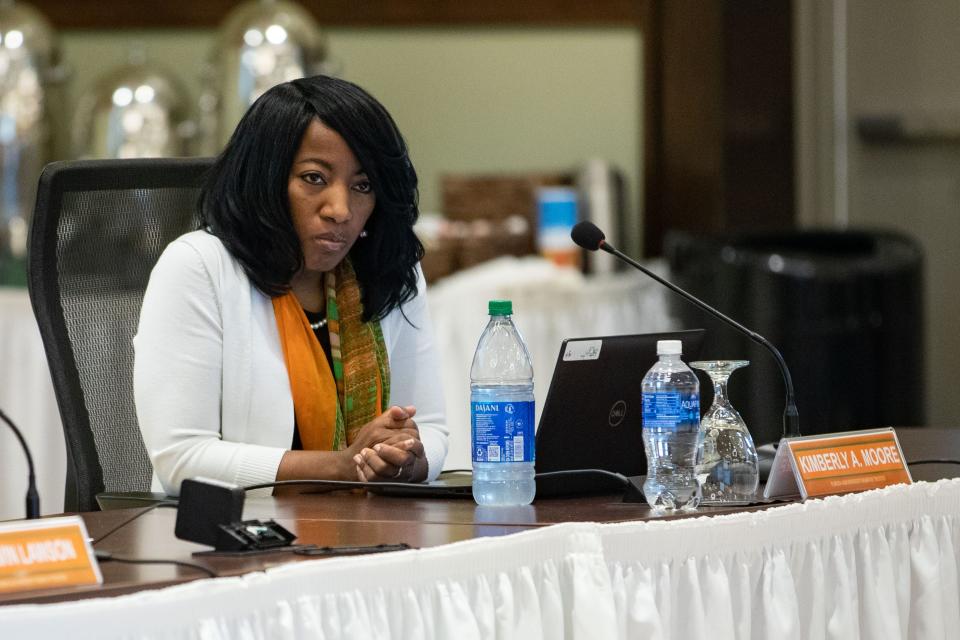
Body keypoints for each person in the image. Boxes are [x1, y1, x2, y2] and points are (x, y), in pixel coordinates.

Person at [134, 75, 448, 496]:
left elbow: (431, 427)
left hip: (370, 531)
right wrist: (342, 466)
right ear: (265, 180)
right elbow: (183, 460)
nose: (340, 210)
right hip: (230, 543)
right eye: (314, 178)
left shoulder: (390, 272)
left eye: (363, 186)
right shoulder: (198, 267)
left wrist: (405, 458)